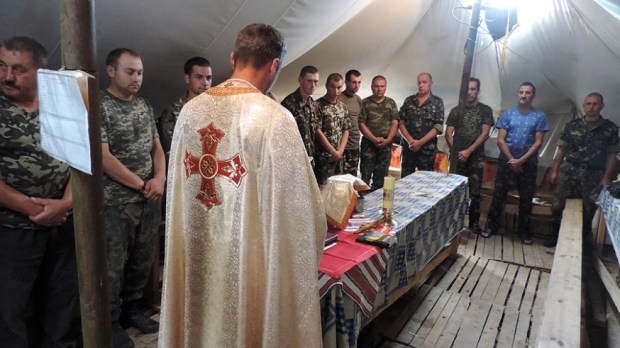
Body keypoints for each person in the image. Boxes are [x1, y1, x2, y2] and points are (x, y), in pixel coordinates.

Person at [158, 24, 327, 347]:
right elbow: (300, 215)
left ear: (233, 58)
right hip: (247, 264)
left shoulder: (190, 112)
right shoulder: (274, 119)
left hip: (195, 246)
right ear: (274, 65)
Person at [0, 36, 78, 347]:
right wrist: (31, 208)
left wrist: (66, 203)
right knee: (10, 311)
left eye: (18, 69)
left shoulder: (60, 105)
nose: (7, 76)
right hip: (14, 229)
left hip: (62, 224)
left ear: (39, 73)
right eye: (2, 67)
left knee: (61, 301)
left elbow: (81, 158)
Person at [100, 48, 165, 347]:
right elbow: (103, 157)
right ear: (111, 71)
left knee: (141, 260)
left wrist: (160, 179)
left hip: (148, 197)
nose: (136, 77)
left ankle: (131, 310)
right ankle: (110, 322)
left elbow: (156, 147)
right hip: (116, 201)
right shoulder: (99, 105)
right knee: (113, 264)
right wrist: (142, 184)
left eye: (139, 72)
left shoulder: (144, 104)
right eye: (130, 71)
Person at [544, 93, 619, 247]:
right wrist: (554, 170)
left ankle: (581, 243)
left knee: (588, 209)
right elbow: (561, 150)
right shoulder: (572, 125)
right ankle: (554, 236)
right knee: (558, 205)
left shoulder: (610, 129)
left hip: (592, 174)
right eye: (588, 104)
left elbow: (612, 156)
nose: (591, 107)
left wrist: (607, 177)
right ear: (584, 106)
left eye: (595, 104)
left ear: (602, 106)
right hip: (569, 170)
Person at [483, 82, 549, 244]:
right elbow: (500, 140)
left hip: (528, 163)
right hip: (506, 161)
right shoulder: (508, 114)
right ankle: (491, 226)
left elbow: (538, 143)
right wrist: (512, 160)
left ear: (533, 95)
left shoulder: (539, 116)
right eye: (521, 92)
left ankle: (524, 232)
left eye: (527, 92)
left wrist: (521, 161)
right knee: (499, 195)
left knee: (526, 198)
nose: (524, 95)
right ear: (517, 94)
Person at [445, 77, 494, 234]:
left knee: (474, 191)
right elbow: (448, 133)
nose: (470, 92)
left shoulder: (485, 110)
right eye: (467, 89)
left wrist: (468, 151)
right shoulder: (456, 110)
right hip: (457, 157)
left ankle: (474, 224)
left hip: (475, 157)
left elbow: (485, 133)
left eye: (473, 89)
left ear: (478, 91)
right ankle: (451, 222)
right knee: (453, 189)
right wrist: (457, 151)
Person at [157, 57, 212, 158]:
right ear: (187, 79)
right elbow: (172, 153)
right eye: (199, 77)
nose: (205, 83)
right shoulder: (173, 113)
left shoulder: (219, 109)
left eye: (208, 78)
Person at [399, 72, 445, 176]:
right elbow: (400, 122)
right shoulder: (409, 101)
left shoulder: (437, 102)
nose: (421, 85)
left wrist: (420, 143)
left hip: (427, 151)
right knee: (405, 182)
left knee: (425, 183)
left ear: (431, 83)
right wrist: (410, 141)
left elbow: (438, 126)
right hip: (408, 150)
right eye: (419, 82)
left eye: (424, 82)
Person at [359, 75, 400, 191]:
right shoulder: (364, 103)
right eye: (376, 86)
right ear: (372, 87)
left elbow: (395, 122)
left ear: (385, 88)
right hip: (369, 143)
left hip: (386, 144)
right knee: (365, 177)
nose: (379, 89)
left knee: (381, 178)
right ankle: (363, 201)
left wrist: (388, 139)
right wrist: (373, 139)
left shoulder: (391, 103)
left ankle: (377, 203)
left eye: (382, 86)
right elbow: (361, 124)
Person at [315, 73, 351, 185]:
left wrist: (340, 151)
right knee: (323, 190)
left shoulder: (342, 106)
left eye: (339, 87)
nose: (336, 91)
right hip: (324, 158)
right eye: (333, 87)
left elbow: (346, 130)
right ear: (326, 86)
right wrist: (333, 151)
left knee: (337, 189)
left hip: (338, 157)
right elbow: (317, 131)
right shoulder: (317, 105)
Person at [281, 65, 319, 164]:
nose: (313, 85)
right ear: (300, 80)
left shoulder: (313, 104)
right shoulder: (289, 104)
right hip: (294, 160)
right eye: (309, 81)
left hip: (310, 158)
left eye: (316, 81)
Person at [339, 69, 363, 176]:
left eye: (359, 82)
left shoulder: (358, 99)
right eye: (354, 82)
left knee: (352, 179)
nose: (357, 85)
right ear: (346, 82)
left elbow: (360, 121)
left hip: (354, 145)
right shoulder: (338, 98)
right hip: (341, 147)